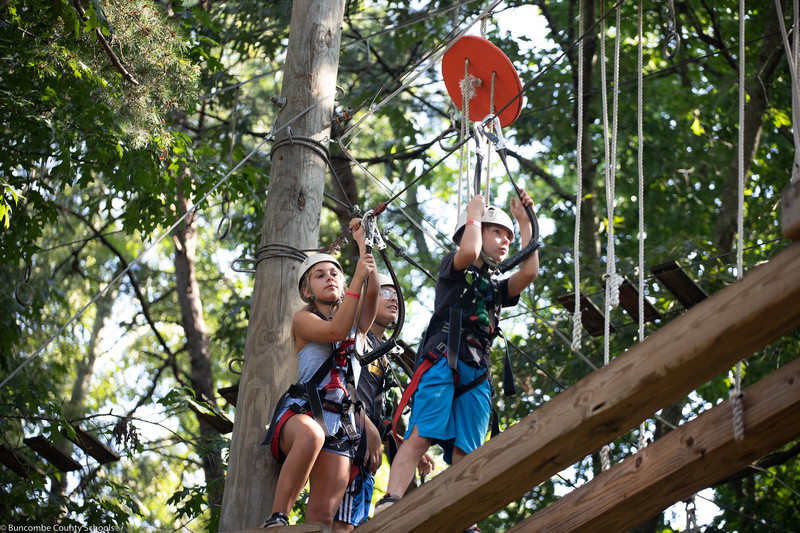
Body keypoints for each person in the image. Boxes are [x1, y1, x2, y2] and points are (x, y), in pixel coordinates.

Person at [376, 192, 539, 532]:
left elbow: (530, 272)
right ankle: (392, 499)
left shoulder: (495, 288)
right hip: (443, 361)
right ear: (474, 231)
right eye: (498, 232)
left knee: (469, 448)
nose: (505, 241)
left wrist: (524, 222)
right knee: (421, 434)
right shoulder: (453, 266)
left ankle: (464, 514)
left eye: (508, 237)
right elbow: (469, 251)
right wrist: (473, 214)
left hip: (476, 372)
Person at [262, 218, 378, 529]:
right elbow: (334, 330)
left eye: (335, 273)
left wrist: (364, 244)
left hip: (338, 423)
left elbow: (371, 295)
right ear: (307, 290)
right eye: (319, 275)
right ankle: (278, 517)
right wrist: (355, 279)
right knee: (312, 435)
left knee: (324, 518)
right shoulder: (303, 320)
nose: (329, 277)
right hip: (302, 416)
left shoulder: (358, 328)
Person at [332, 273, 435, 533]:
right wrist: (364, 423)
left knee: (352, 523)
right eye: (384, 293)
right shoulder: (354, 338)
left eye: (396, 297)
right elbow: (340, 386)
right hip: (347, 439)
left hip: (367, 448)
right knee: (341, 524)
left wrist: (409, 446)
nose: (394, 301)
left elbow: (381, 411)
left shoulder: (382, 353)